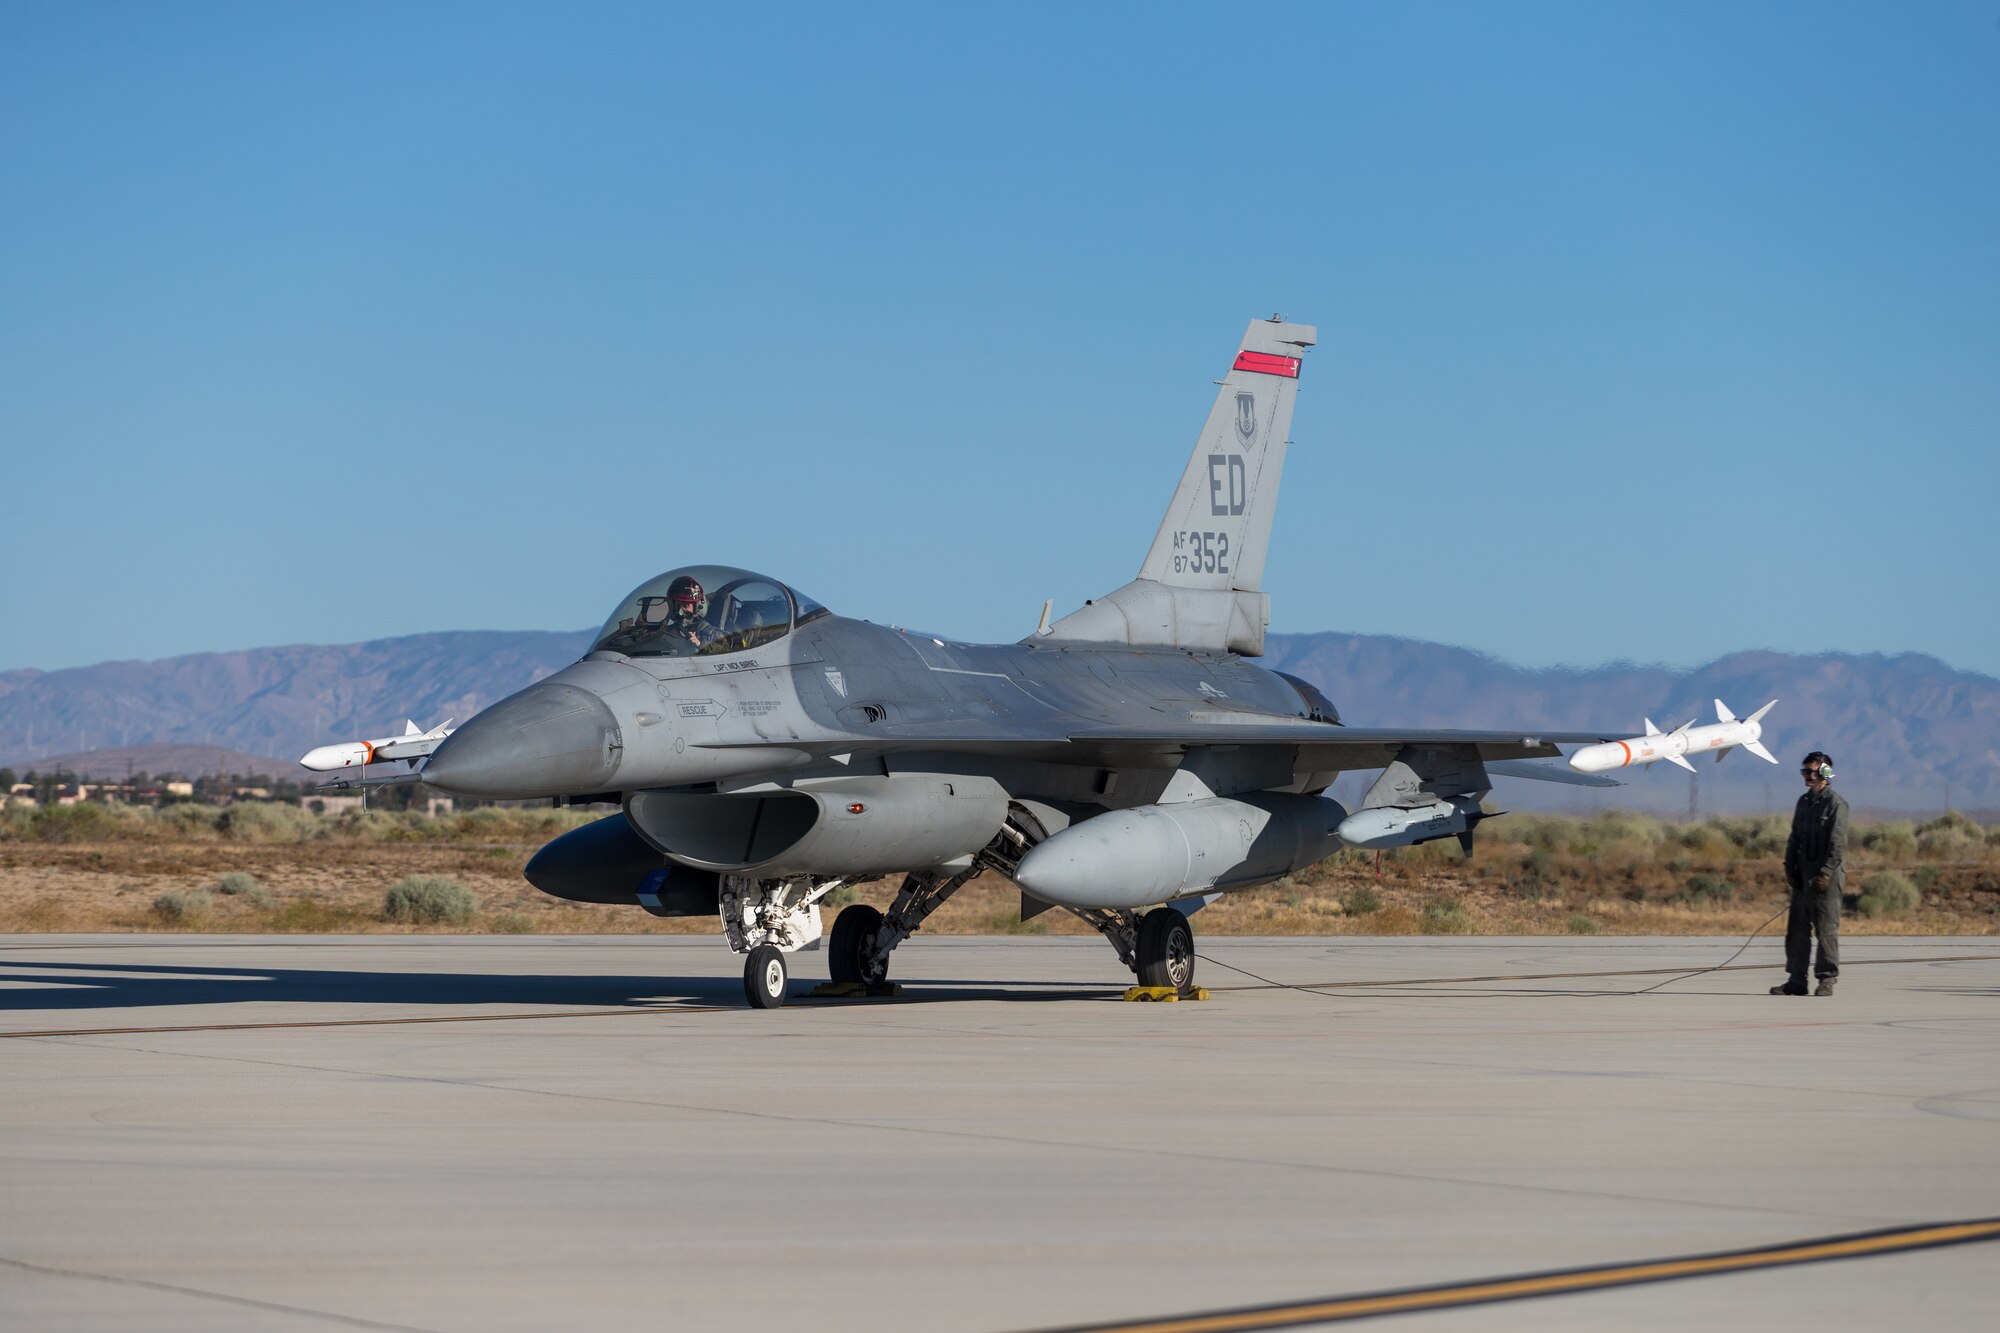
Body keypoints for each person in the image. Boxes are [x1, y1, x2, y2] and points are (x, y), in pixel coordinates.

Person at [1773, 750, 1847, 996]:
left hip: (1827, 879)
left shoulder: (1836, 804)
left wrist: (1825, 874)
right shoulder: (1803, 802)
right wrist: (1790, 867)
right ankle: (1796, 980)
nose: (1808, 776)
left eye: (1813, 771)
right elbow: (1794, 838)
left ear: (1825, 773)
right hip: (1802, 878)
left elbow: (1836, 845)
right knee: (1797, 930)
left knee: (1825, 930)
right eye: (1804, 771)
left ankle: (1826, 980)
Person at [662, 575, 717, 649]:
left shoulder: (713, 634)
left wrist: (699, 644)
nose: (680, 612)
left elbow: (727, 650)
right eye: (677, 606)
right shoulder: (667, 633)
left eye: (685, 605)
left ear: (699, 606)